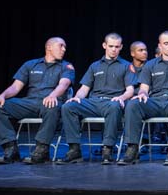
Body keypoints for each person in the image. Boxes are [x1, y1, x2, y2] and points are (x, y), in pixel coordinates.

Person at [0, 37, 75, 164]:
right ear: (49, 47)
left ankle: (42, 149)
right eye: (61, 46)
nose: (64, 49)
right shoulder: (30, 64)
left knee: (52, 105)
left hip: (50, 103)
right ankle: (11, 149)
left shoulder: (66, 66)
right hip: (30, 103)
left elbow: (64, 84)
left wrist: (53, 95)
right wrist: (2, 96)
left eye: (65, 47)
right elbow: (16, 86)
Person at [118, 30, 168, 166]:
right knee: (133, 104)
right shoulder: (150, 64)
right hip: (155, 101)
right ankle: (132, 148)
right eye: (166, 43)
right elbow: (144, 88)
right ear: (160, 45)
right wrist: (142, 94)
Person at [58, 33, 135, 165]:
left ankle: (107, 149)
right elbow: (84, 89)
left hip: (112, 102)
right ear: (104, 45)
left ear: (121, 47)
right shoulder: (94, 66)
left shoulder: (126, 66)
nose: (113, 49)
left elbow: (130, 90)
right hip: (93, 102)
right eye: (111, 46)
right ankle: (74, 149)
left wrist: (120, 98)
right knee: (68, 106)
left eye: (117, 46)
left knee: (114, 106)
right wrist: (76, 98)